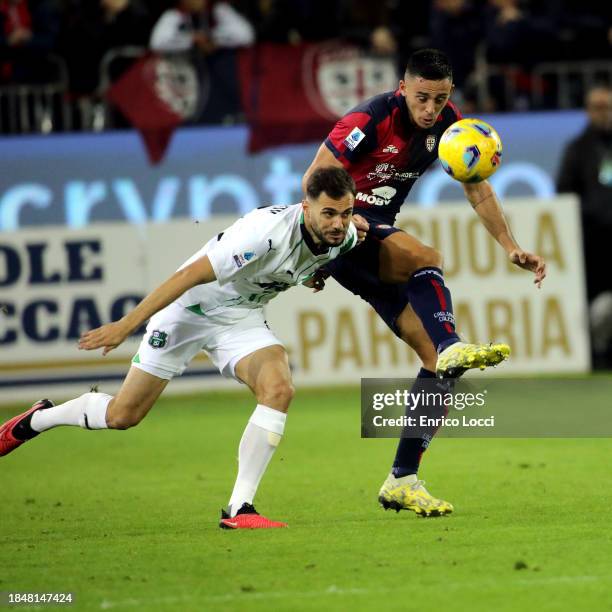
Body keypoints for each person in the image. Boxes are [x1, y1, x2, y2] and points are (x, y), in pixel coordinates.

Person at [0, 166, 365, 530]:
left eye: (345, 213)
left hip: (241, 316)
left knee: (279, 388)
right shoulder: (262, 236)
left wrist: (315, 273)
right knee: (122, 416)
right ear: (306, 207)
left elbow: (334, 250)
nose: (338, 223)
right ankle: (37, 419)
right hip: (187, 312)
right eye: (328, 213)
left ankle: (241, 508)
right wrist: (125, 325)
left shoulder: (344, 236)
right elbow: (187, 276)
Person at [303, 48, 546, 517]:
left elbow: (478, 188)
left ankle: (402, 478)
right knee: (426, 259)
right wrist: (318, 245)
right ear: (403, 89)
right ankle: (453, 338)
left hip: (370, 243)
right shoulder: (370, 118)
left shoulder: (450, 126)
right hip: (346, 230)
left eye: (439, 99)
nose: (430, 109)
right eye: (422, 98)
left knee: (438, 366)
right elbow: (315, 178)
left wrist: (509, 246)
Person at [557, 84, 612, 368]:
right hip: (592, 242)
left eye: (607, 106)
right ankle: (596, 356)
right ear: (588, 111)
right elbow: (564, 194)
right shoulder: (577, 150)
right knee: (591, 302)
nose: (604, 113)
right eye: (598, 107)